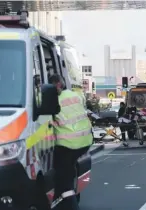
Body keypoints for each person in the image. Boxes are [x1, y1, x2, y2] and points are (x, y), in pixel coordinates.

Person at [49, 74, 93, 210]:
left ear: (56, 85)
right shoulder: (75, 95)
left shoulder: (52, 100)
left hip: (69, 143)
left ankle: (70, 204)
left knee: (64, 180)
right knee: (67, 172)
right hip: (85, 140)